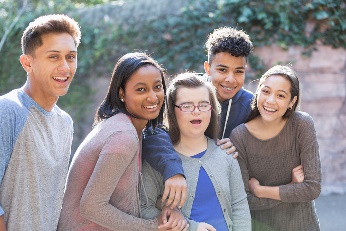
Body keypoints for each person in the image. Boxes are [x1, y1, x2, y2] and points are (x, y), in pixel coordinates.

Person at [58, 52, 188, 231]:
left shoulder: (130, 127)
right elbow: (91, 207)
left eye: (157, 87)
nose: (152, 97)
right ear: (121, 93)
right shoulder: (123, 136)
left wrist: (165, 206)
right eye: (141, 89)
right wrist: (152, 226)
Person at [142, 26, 254, 208]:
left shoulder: (250, 105)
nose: (230, 79)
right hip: (178, 193)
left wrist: (242, 145)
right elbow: (153, 130)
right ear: (208, 68)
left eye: (238, 71)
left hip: (224, 199)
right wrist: (172, 169)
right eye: (223, 70)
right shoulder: (184, 91)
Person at [0, 14, 81, 230]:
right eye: (53, 57)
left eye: (71, 57)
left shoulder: (65, 123)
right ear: (27, 62)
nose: (65, 67)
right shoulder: (7, 110)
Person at [141, 73, 251, 231]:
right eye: (186, 106)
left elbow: (239, 206)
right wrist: (189, 227)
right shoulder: (158, 161)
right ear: (172, 111)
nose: (196, 111)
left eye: (203, 105)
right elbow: (144, 209)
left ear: (212, 109)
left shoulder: (226, 155)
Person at [229, 65, 321, 231]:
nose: (270, 100)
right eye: (266, 91)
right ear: (258, 92)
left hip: (302, 225)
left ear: (292, 102)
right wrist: (292, 187)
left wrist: (261, 190)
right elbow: (245, 200)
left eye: (280, 95)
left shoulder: (302, 125)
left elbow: (312, 188)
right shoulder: (240, 136)